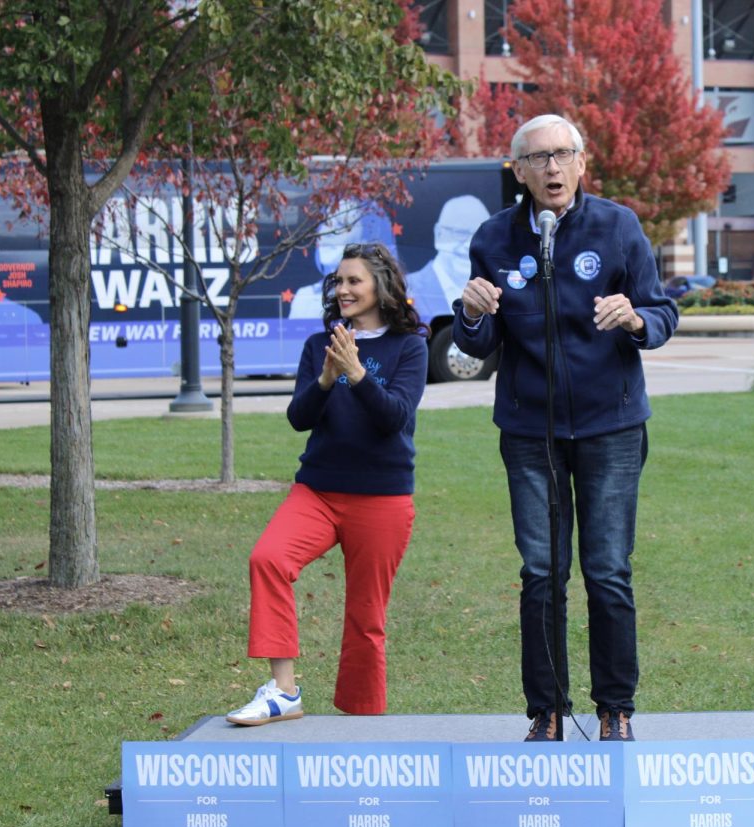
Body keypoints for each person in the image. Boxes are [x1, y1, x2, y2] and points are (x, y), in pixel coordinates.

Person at [452, 114, 678, 743]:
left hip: (611, 428)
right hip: (531, 434)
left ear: (582, 162)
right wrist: (471, 316)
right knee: (541, 572)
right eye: (538, 158)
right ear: (518, 171)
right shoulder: (494, 239)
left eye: (562, 154)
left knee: (607, 569)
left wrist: (634, 319)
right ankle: (546, 712)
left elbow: (661, 311)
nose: (551, 168)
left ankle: (615, 709)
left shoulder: (618, 226)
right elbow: (481, 341)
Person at [227, 242, 428, 726]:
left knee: (366, 618)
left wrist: (357, 375)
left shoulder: (410, 346)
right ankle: (283, 691)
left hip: (382, 497)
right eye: (338, 281)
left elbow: (394, 419)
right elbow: (299, 418)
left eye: (353, 281)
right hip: (318, 489)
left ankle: (360, 727)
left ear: (381, 287)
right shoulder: (320, 345)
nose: (342, 290)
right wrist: (324, 380)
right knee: (268, 558)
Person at [406, 194, 491, 317]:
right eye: (460, 233)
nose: (469, 244)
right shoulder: (408, 288)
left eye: (479, 235)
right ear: (439, 234)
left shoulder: (497, 286)